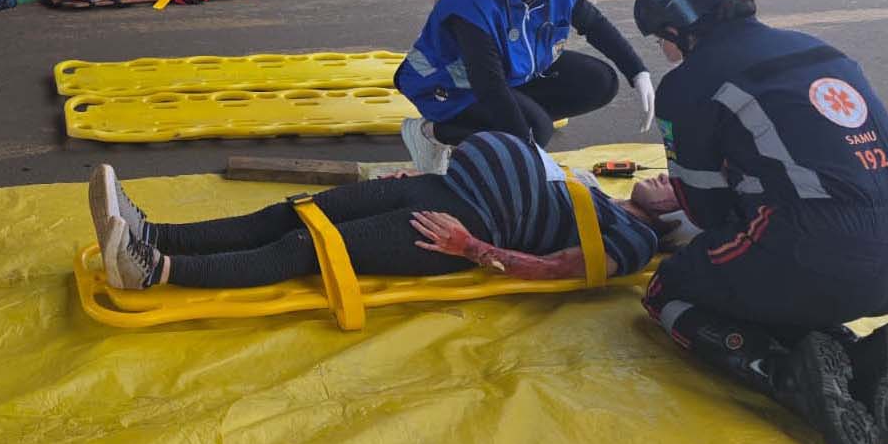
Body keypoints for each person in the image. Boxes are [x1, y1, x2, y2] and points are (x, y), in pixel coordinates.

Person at [633, 0, 888, 444]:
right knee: (772, 262)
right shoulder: (822, 51)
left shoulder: (688, 83)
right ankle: (859, 362)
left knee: (672, 287)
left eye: (660, 41)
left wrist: (667, 201)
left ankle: (786, 377)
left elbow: (708, 213)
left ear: (675, 32)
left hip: (828, 257)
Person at [88, 131, 675, 292]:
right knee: (290, 214)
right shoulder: (602, 191)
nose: (667, 177)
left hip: (457, 229)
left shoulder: (634, 240)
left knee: (304, 249)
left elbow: (558, 269)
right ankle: (154, 232)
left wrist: (471, 248)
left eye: (679, 189)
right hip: (437, 188)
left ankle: (155, 270)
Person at [394, 0, 654, 174]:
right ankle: (432, 133)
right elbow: (488, 85)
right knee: (534, 129)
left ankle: (502, 136)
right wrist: (531, 154)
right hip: (445, 85)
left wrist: (637, 72)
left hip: (508, 73)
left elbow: (594, 24)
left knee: (600, 81)